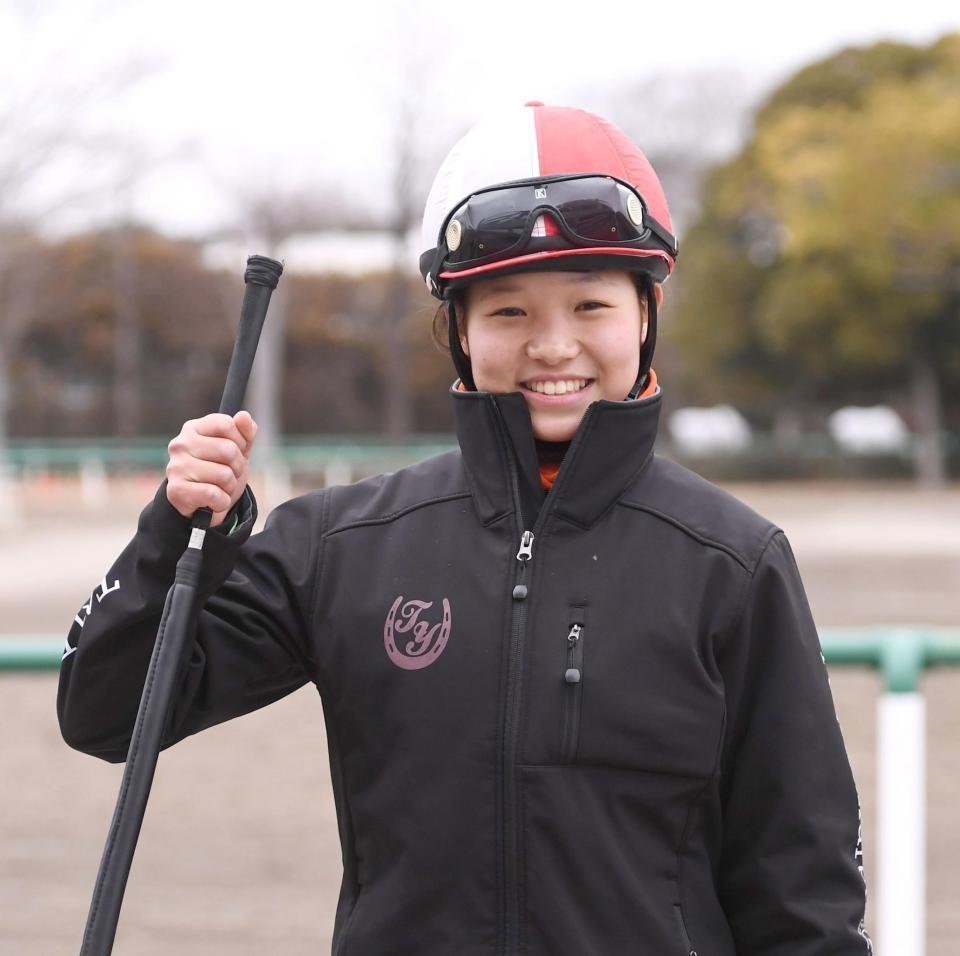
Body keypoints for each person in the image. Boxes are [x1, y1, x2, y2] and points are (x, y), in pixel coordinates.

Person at [58, 102, 872, 955]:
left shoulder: (734, 562)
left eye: (591, 305)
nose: (554, 346)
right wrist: (173, 532)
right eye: (509, 312)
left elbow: (803, 885)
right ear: (457, 330)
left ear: (645, 312)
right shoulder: (343, 545)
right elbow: (103, 712)